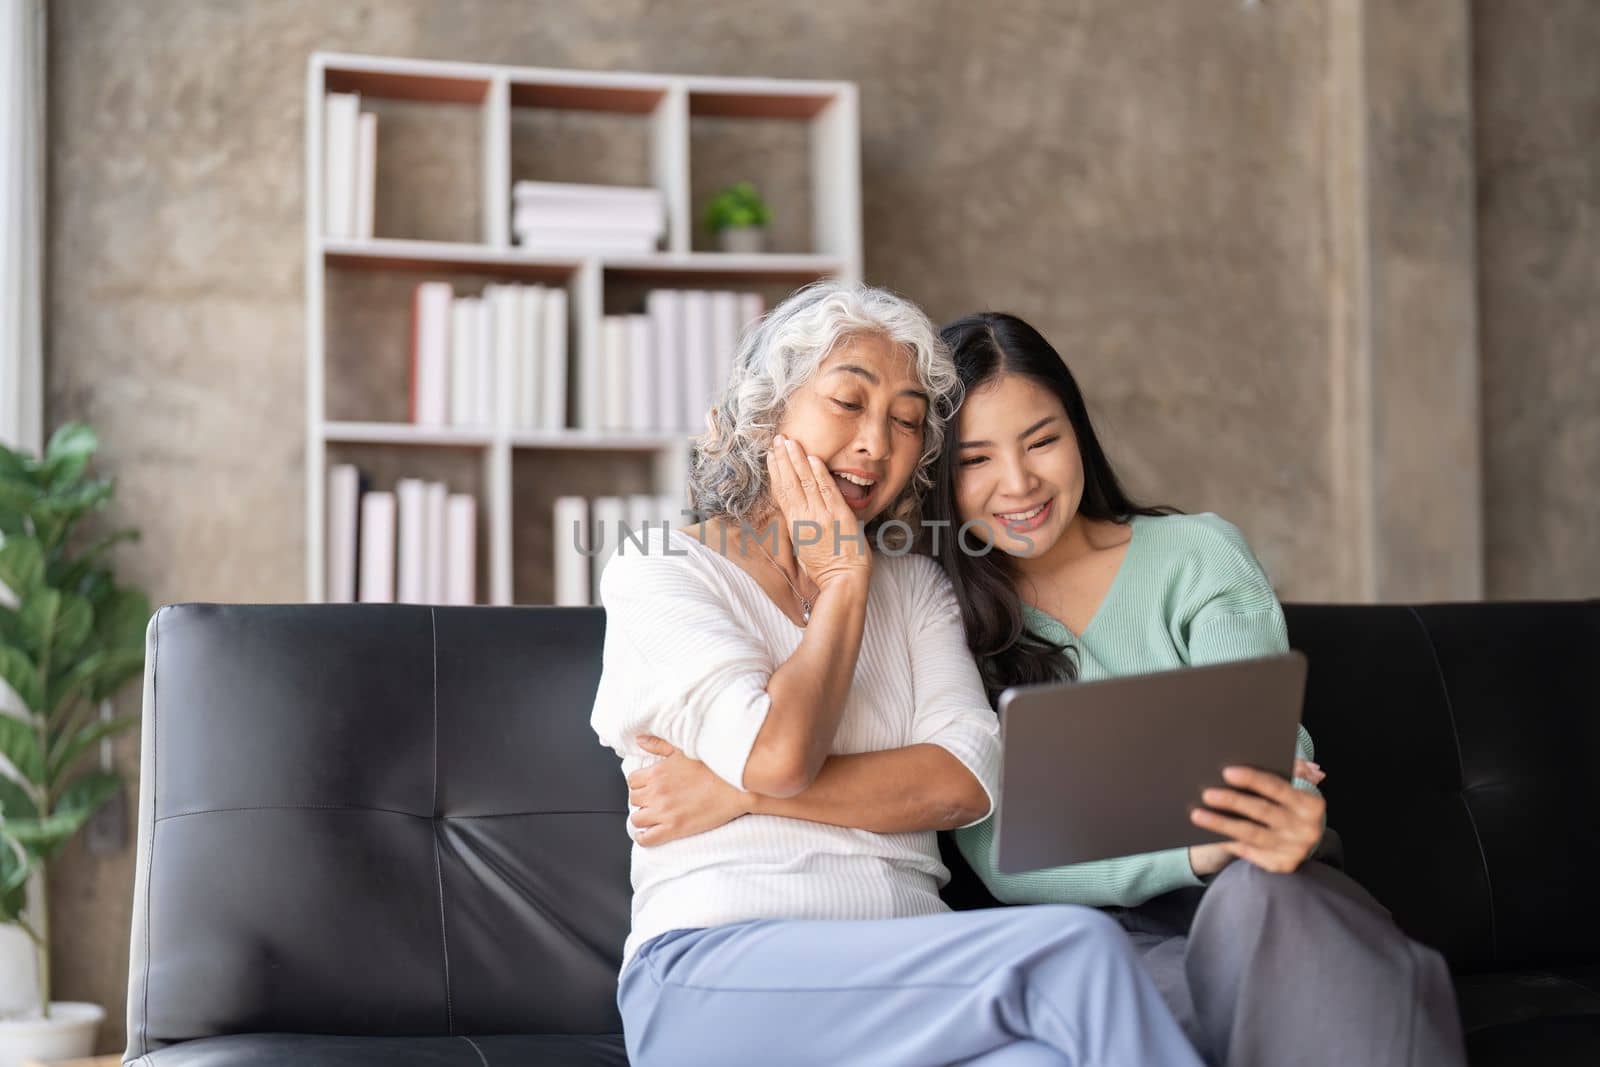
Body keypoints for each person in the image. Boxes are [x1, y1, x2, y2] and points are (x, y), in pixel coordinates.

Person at [591, 282, 1202, 1067]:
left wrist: (740, 790)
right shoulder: (663, 571)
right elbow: (777, 751)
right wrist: (844, 583)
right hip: (716, 972)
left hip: (909, 985)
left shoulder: (915, 586)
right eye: (848, 402)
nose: (877, 443)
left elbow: (965, 778)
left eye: (908, 421)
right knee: (1076, 953)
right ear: (766, 414)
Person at [924, 310, 1467, 1067]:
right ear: (940, 478)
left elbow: (1266, 749)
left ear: (1078, 429)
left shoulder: (1196, 554)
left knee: (1262, 904)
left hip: (1264, 883)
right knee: (1144, 995)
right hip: (1101, 932)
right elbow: (1007, 859)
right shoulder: (939, 617)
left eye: (1042, 439)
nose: (1018, 484)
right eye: (975, 459)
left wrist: (1285, 810)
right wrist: (1191, 849)